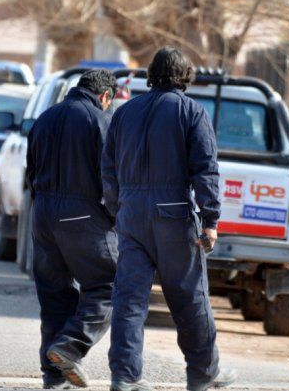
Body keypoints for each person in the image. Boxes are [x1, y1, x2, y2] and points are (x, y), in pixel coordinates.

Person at [102, 47, 237, 391]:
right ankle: (203, 373)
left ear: (152, 74)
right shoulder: (191, 112)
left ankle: (125, 376)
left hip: (131, 216)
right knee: (190, 297)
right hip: (173, 214)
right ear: (185, 76)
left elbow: (108, 167)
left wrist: (119, 209)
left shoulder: (124, 113)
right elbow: (205, 169)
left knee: (129, 300)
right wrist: (210, 220)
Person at [26, 69, 119, 389]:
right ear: (105, 97)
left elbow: (31, 171)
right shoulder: (99, 120)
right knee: (112, 285)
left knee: (54, 296)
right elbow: (110, 177)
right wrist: (116, 217)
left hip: (42, 216)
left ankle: (54, 377)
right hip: (83, 217)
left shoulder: (45, 118)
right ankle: (71, 345)